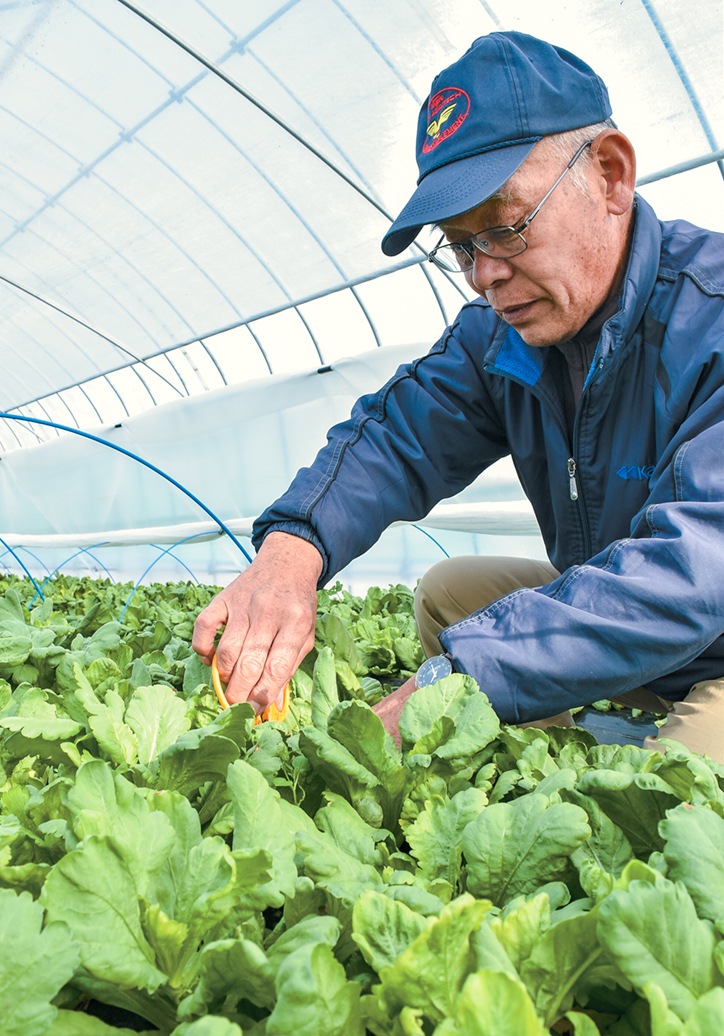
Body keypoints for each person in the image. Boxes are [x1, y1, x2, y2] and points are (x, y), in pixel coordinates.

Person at [192, 31, 724, 759]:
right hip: (651, 633)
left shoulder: (712, 316)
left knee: (681, 800)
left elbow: (689, 574)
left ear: (610, 174)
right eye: (461, 245)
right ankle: (538, 771)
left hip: (710, 620)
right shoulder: (505, 336)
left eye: (505, 227)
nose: (483, 274)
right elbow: (395, 437)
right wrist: (292, 551)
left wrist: (455, 679)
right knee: (451, 592)